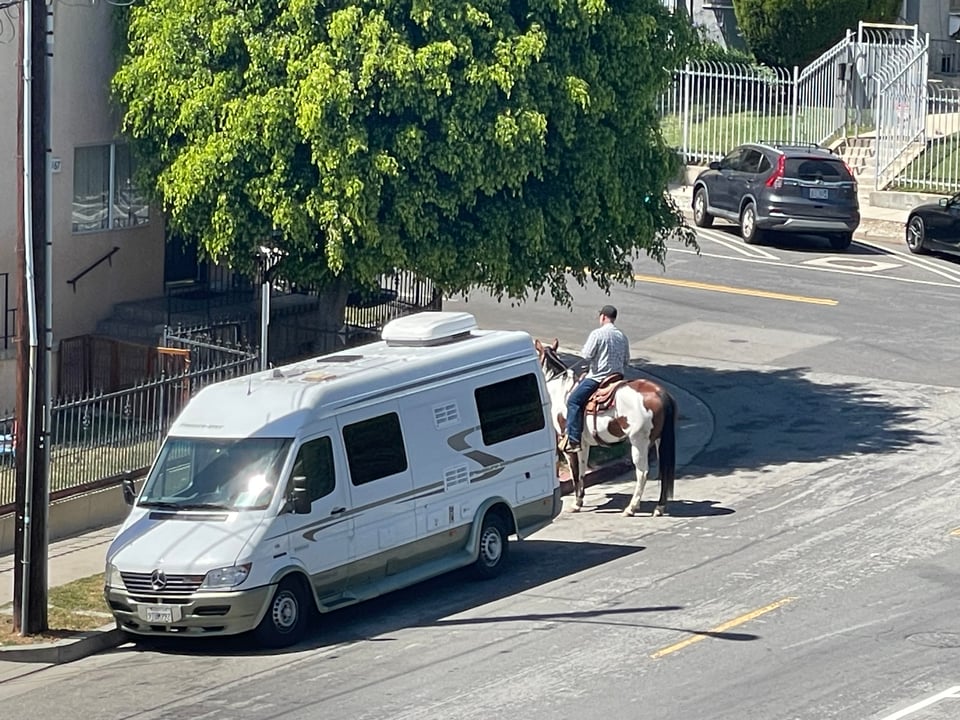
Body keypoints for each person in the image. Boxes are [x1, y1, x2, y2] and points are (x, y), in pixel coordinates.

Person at [560, 305, 630, 453]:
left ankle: (573, 439)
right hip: (617, 378)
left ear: (603, 317)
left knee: (573, 401)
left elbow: (586, 355)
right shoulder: (622, 336)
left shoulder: (597, 334)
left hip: (599, 378)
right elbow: (626, 360)